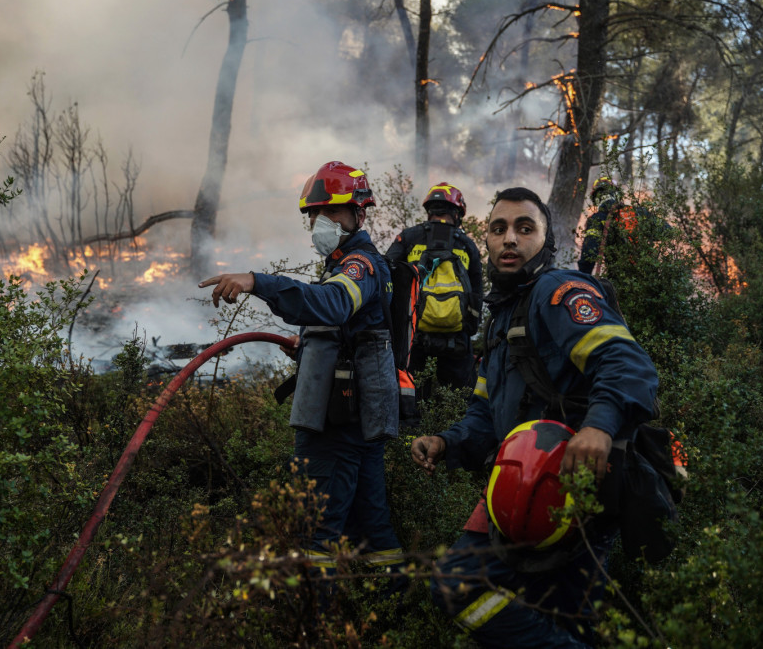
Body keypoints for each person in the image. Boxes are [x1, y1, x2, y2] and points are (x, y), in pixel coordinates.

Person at [410, 187, 659, 648]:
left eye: (525, 228)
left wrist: (598, 427)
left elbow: (628, 364)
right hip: (521, 487)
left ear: (546, 241)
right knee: (552, 616)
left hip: (573, 490)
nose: (510, 239)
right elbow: (486, 412)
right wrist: (448, 442)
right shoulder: (500, 317)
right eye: (499, 228)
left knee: (467, 586)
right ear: (484, 241)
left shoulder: (556, 293)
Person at [199, 160, 404, 582]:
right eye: (314, 213)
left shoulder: (360, 265)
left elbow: (331, 304)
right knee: (372, 528)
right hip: (359, 418)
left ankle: (314, 622)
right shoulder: (345, 264)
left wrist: (259, 281)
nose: (319, 221)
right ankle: (393, 607)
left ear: (358, 214)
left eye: (330, 211)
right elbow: (350, 327)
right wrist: (311, 343)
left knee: (315, 530)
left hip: (339, 425)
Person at [385, 183, 482, 406]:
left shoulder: (408, 238)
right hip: (457, 340)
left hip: (414, 335)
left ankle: (409, 438)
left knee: (411, 397)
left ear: (430, 211)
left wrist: (397, 325)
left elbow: (387, 273)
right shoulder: (467, 245)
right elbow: (476, 291)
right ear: (457, 213)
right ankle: (454, 437)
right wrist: (469, 330)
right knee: (461, 401)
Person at [578, 175, 659, 275]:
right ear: (617, 195)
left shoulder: (597, 220)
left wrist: (582, 280)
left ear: (597, 199)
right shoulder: (639, 212)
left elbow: (589, 256)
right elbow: (668, 232)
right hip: (652, 277)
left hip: (620, 283)